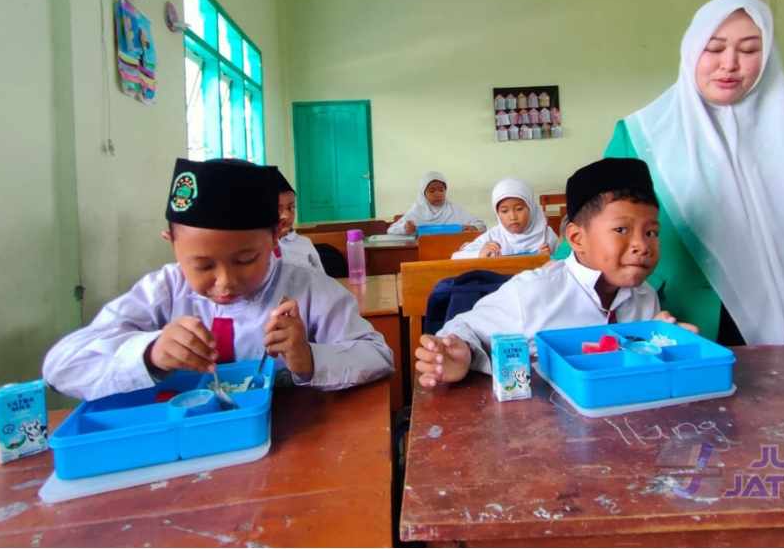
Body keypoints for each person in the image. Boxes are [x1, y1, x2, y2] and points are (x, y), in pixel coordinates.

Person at [549, 0, 784, 372]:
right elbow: (597, 223)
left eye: (748, 49)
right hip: (684, 325)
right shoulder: (644, 133)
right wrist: (547, 294)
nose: (729, 64)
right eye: (714, 48)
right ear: (692, 50)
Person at [43, 158, 394, 401]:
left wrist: (307, 359)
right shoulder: (163, 291)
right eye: (202, 265)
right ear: (172, 244)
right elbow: (62, 367)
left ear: (275, 238)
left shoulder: (309, 290)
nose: (225, 282)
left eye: (245, 260)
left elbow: (378, 356)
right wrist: (150, 353)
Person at [415, 158, 694, 388]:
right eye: (621, 229)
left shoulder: (645, 298)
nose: (642, 245)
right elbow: (462, 326)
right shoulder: (533, 293)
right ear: (576, 238)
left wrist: (659, 343)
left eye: (652, 232)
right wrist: (460, 353)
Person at [451, 177, 557, 259]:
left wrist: (549, 258)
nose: (513, 217)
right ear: (497, 213)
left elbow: (565, 262)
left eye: (519, 209)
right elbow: (456, 257)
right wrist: (480, 253)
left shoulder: (546, 235)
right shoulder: (493, 236)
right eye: (504, 211)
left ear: (531, 208)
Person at [386, 171, 485, 235]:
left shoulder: (453, 209)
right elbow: (391, 230)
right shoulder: (417, 211)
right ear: (423, 193)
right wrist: (405, 228)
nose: (437, 194)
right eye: (432, 191)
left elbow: (481, 225)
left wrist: (473, 227)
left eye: (441, 190)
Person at [269, 166, 324, 272]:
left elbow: (322, 280)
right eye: (278, 209)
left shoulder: (304, 244)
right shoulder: (259, 249)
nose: (286, 215)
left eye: (291, 207)